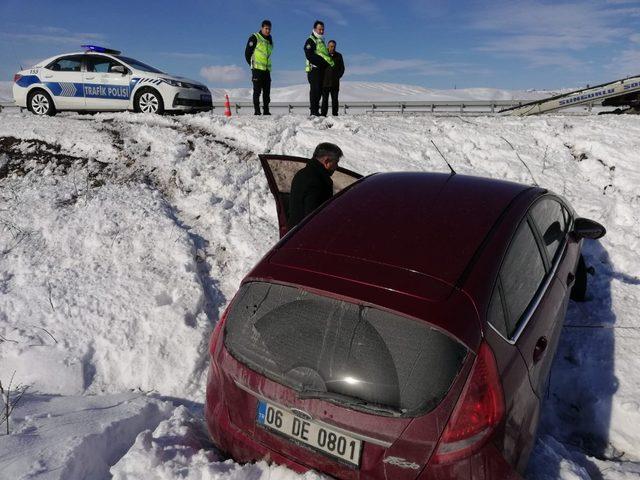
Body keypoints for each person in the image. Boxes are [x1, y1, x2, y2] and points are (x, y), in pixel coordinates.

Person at [288, 142, 343, 228]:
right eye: (335, 162)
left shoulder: (302, 173)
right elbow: (313, 218)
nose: (336, 166)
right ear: (327, 161)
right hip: (306, 235)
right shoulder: (317, 182)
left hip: (295, 231)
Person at [304, 21, 334, 116]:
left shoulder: (321, 41)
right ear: (314, 29)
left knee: (320, 91)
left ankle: (316, 110)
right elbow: (309, 55)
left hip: (321, 70)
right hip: (314, 69)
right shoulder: (311, 40)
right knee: (315, 91)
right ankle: (313, 111)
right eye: (319, 29)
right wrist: (323, 63)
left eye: (322, 29)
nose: (321, 31)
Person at [245, 20, 273, 115]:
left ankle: (266, 110)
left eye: (269, 29)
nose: (268, 31)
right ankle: (257, 111)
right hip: (257, 69)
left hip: (266, 70)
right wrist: (252, 65)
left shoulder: (270, 39)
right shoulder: (255, 37)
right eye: (266, 28)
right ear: (262, 28)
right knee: (257, 92)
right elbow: (247, 53)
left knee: (267, 93)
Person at [321, 40, 345, 116]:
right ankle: (323, 114)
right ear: (328, 46)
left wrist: (338, 76)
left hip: (335, 82)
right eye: (331, 46)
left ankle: (335, 114)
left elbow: (342, 68)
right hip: (325, 82)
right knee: (325, 100)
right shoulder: (323, 55)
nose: (333, 48)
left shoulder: (339, 55)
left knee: (335, 100)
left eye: (334, 46)